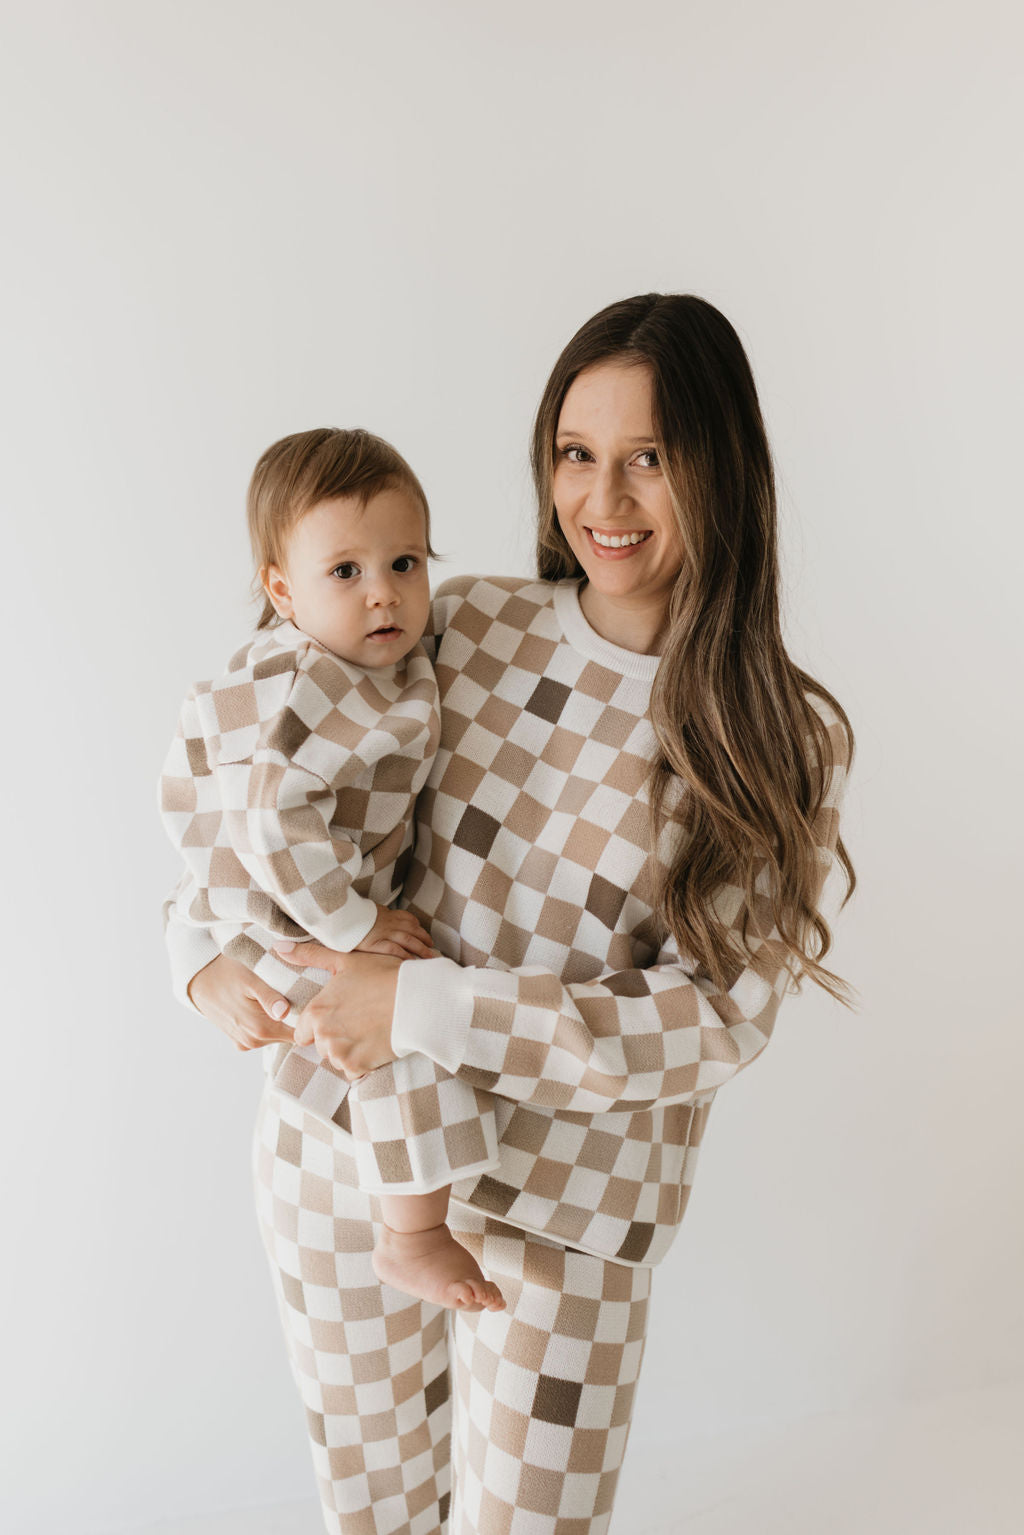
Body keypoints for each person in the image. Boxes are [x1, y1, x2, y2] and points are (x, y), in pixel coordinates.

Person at [165, 293, 856, 1535]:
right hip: (343, 1152)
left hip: (570, 1215)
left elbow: (710, 1023)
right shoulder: (460, 623)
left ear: (723, 464)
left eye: (650, 455)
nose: (606, 497)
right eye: (575, 453)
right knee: (375, 1510)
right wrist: (197, 945)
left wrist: (423, 1003)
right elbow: (261, 766)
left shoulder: (776, 737)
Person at [160, 426, 506, 1312]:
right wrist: (353, 928)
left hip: (276, 894)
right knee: (404, 1034)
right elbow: (268, 821)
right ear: (282, 590)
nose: (385, 594)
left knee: (391, 1018)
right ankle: (413, 1232)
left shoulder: (379, 667)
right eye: (345, 573)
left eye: (405, 562)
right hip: (282, 911)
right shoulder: (310, 689)